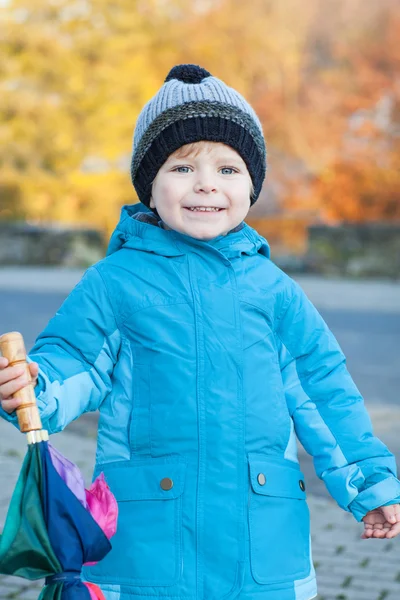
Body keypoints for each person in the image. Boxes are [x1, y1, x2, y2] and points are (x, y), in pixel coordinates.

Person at [1, 64, 399, 600]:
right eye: (183, 167)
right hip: (148, 543)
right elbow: (72, 363)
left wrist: (366, 480)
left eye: (229, 169)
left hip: (263, 547)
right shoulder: (115, 283)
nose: (207, 182)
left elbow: (323, 390)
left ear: (252, 184)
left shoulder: (275, 291)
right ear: (150, 185)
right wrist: (33, 386)